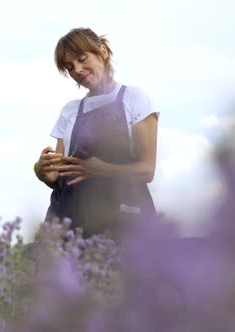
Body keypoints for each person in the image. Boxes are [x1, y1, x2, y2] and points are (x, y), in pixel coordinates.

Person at [33, 27, 159, 238]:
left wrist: (100, 169)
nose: (77, 70)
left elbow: (147, 170)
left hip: (121, 224)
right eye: (70, 67)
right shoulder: (70, 110)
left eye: (82, 59)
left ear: (103, 51)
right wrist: (41, 171)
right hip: (69, 225)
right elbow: (59, 176)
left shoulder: (135, 99)